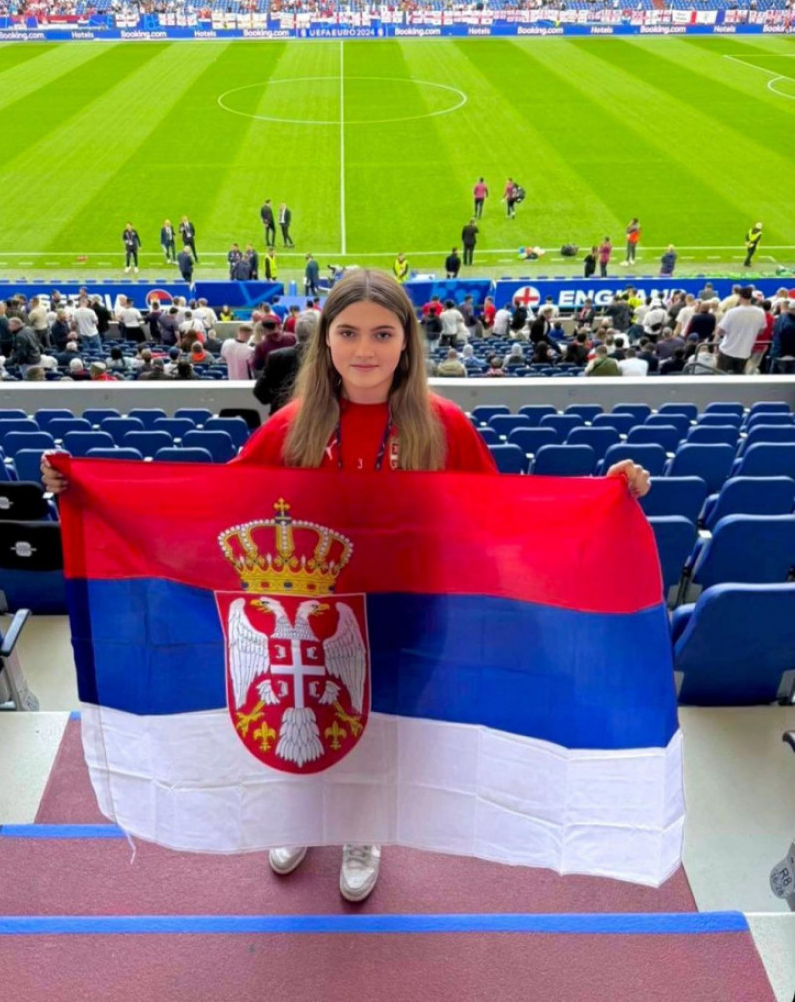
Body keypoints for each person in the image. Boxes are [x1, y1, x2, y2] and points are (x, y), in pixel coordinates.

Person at [40, 270, 649, 904]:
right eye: (349, 332)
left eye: (382, 334)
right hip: (310, 616)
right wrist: (86, 489)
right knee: (305, 718)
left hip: (412, 615)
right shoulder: (291, 426)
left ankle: (362, 832)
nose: (365, 349)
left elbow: (500, 516)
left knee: (381, 731)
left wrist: (603, 496)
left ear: (406, 341)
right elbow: (214, 503)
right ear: (325, 340)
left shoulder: (445, 426)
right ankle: (304, 817)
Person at [254, 318, 315, 413]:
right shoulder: (326, 357)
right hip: (314, 414)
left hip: (283, 412)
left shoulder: (275, 356)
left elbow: (259, 391)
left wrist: (278, 402)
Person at [716, 285, 766, 374]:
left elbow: (720, 331)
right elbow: (761, 331)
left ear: (740, 297)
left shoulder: (732, 312)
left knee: (720, 376)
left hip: (727, 350)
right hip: (744, 353)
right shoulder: (760, 313)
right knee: (738, 378)